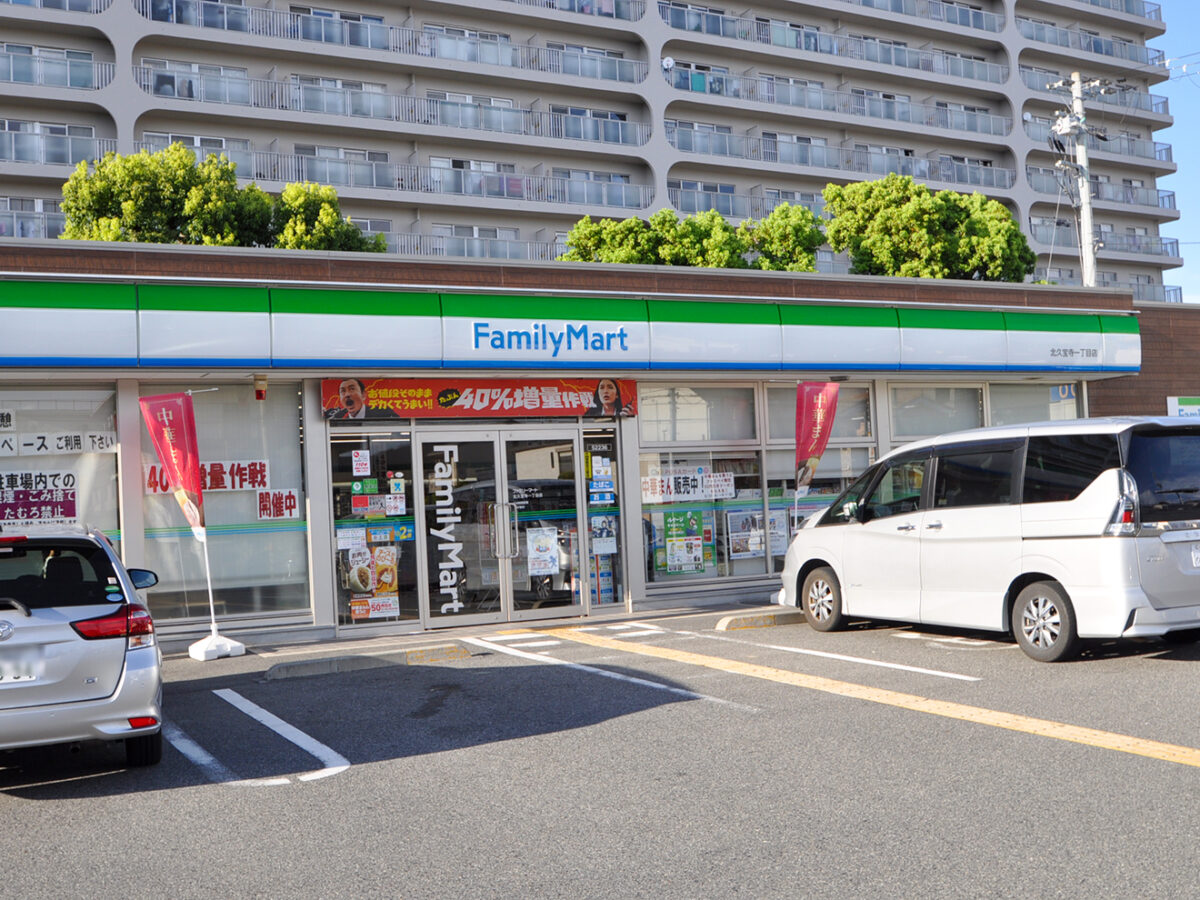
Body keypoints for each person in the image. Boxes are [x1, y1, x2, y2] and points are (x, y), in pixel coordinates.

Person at [326, 378, 399, 420]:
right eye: (343, 391)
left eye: (352, 389)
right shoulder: (341, 422)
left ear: (363, 395)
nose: (347, 394)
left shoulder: (384, 413)